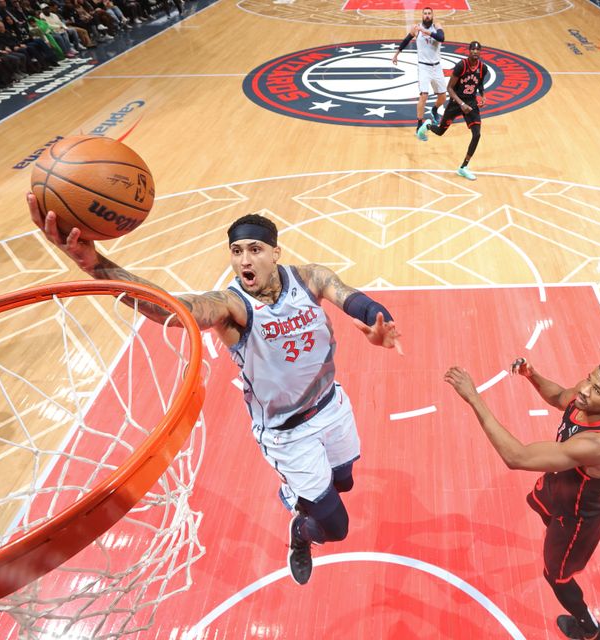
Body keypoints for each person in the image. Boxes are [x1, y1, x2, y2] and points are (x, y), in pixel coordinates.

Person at [28, 197, 403, 586]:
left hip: (332, 406)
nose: (244, 261)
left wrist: (381, 322)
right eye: (236, 252)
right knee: (336, 526)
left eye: (255, 250)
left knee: (345, 482)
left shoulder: (309, 279)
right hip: (288, 434)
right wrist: (97, 266)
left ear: (276, 252)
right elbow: (173, 310)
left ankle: (303, 492)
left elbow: (352, 298)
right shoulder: (232, 306)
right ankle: (300, 532)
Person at [445, 358, 600, 640]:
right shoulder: (585, 399)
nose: (584, 389)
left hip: (578, 517)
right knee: (539, 509)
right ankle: (556, 540)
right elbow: (559, 396)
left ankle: (594, 632)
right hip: (560, 486)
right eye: (588, 379)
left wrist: (474, 397)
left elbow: (517, 457)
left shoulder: (599, 443)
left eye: (597, 390)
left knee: (556, 576)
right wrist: (532, 375)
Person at [418, 40, 486, 181]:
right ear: (469, 51)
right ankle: (428, 126)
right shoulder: (461, 66)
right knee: (441, 131)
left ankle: (463, 167)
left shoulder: (482, 68)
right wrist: (461, 104)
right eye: (472, 49)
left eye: (477, 49)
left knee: (477, 134)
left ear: (480, 52)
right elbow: (449, 88)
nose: (475, 51)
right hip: (456, 102)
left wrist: (483, 96)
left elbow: (480, 84)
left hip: (471, 102)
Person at [391, 6, 446, 139]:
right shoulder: (416, 28)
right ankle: (419, 124)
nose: (427, 16)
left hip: (437, 66)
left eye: (429, 14)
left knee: (443, 97)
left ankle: (434, 110)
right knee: (424, 96)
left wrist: (426, 32)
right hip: (424, 67)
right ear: (422, 16)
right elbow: (406, 40)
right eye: (425, 14)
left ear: (432, 16)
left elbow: (441, 38)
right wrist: (397, 53)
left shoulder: (437, 26)